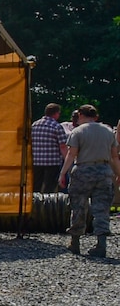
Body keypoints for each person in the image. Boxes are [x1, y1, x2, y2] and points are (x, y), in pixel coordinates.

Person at [58, 104, 119, 257]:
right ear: (95, 116)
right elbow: (114, 156)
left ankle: (75, 242)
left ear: (80, 115)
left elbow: (71, 155)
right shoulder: (108, 131)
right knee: (102, 208)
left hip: (83, 171)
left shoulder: (77, 131)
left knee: (78, 206)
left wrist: (62, 173)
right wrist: (118, 173)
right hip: (104, 172)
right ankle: (101, 244)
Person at [32, 103, 68, 193]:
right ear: (55, 113)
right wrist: (67, 160)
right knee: (49, 189)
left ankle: (35, 205)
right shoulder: (56, 126)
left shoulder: (34, 125)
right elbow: (63, 146)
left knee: (36, 187)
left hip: (36, 162)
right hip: (52, 163)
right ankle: (47, 206)